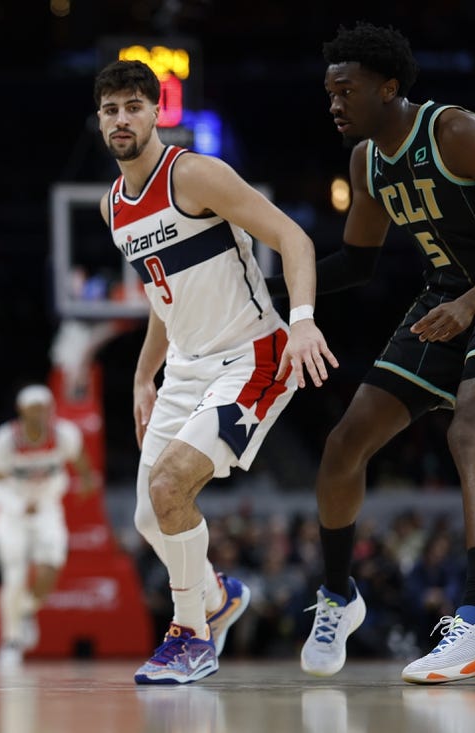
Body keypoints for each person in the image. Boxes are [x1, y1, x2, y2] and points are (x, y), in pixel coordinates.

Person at [292, 21, 475, 683]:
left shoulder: (455, 132)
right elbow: (356, 261)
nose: (335, 104)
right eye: (329, 93)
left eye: (346, 90)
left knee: (471, 428)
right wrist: (270, 288)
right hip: (446, 295)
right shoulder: (365, 162)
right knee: (344, 442)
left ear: (389, 86)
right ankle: (338, 593)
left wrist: (471, 303)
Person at [93, 60, 337, 684]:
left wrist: (303, 320)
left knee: (172, 484)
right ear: (101, 121)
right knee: (150, 515)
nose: (122, 118)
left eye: (133, 106)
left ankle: (191, 636)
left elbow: (293, 239)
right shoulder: (112, 207)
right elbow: (161, 296)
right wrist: (143, 377)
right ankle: (218, 598)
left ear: (155, 112)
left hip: (251, 354)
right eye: (110, 109)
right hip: (184, 367)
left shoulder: (194, 174)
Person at [0, 383, 98, 667]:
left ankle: (25, 610)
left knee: (51, 566)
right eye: (34, 409)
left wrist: (86, 479)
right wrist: (18, 506)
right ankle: (10, 641)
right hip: (12, 512)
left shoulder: (64, 435)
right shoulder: (4, 439)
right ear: (22, 411)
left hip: (48, 509)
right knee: (14, 576)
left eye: (45, 408)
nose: (40, 414)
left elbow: (80, 459)